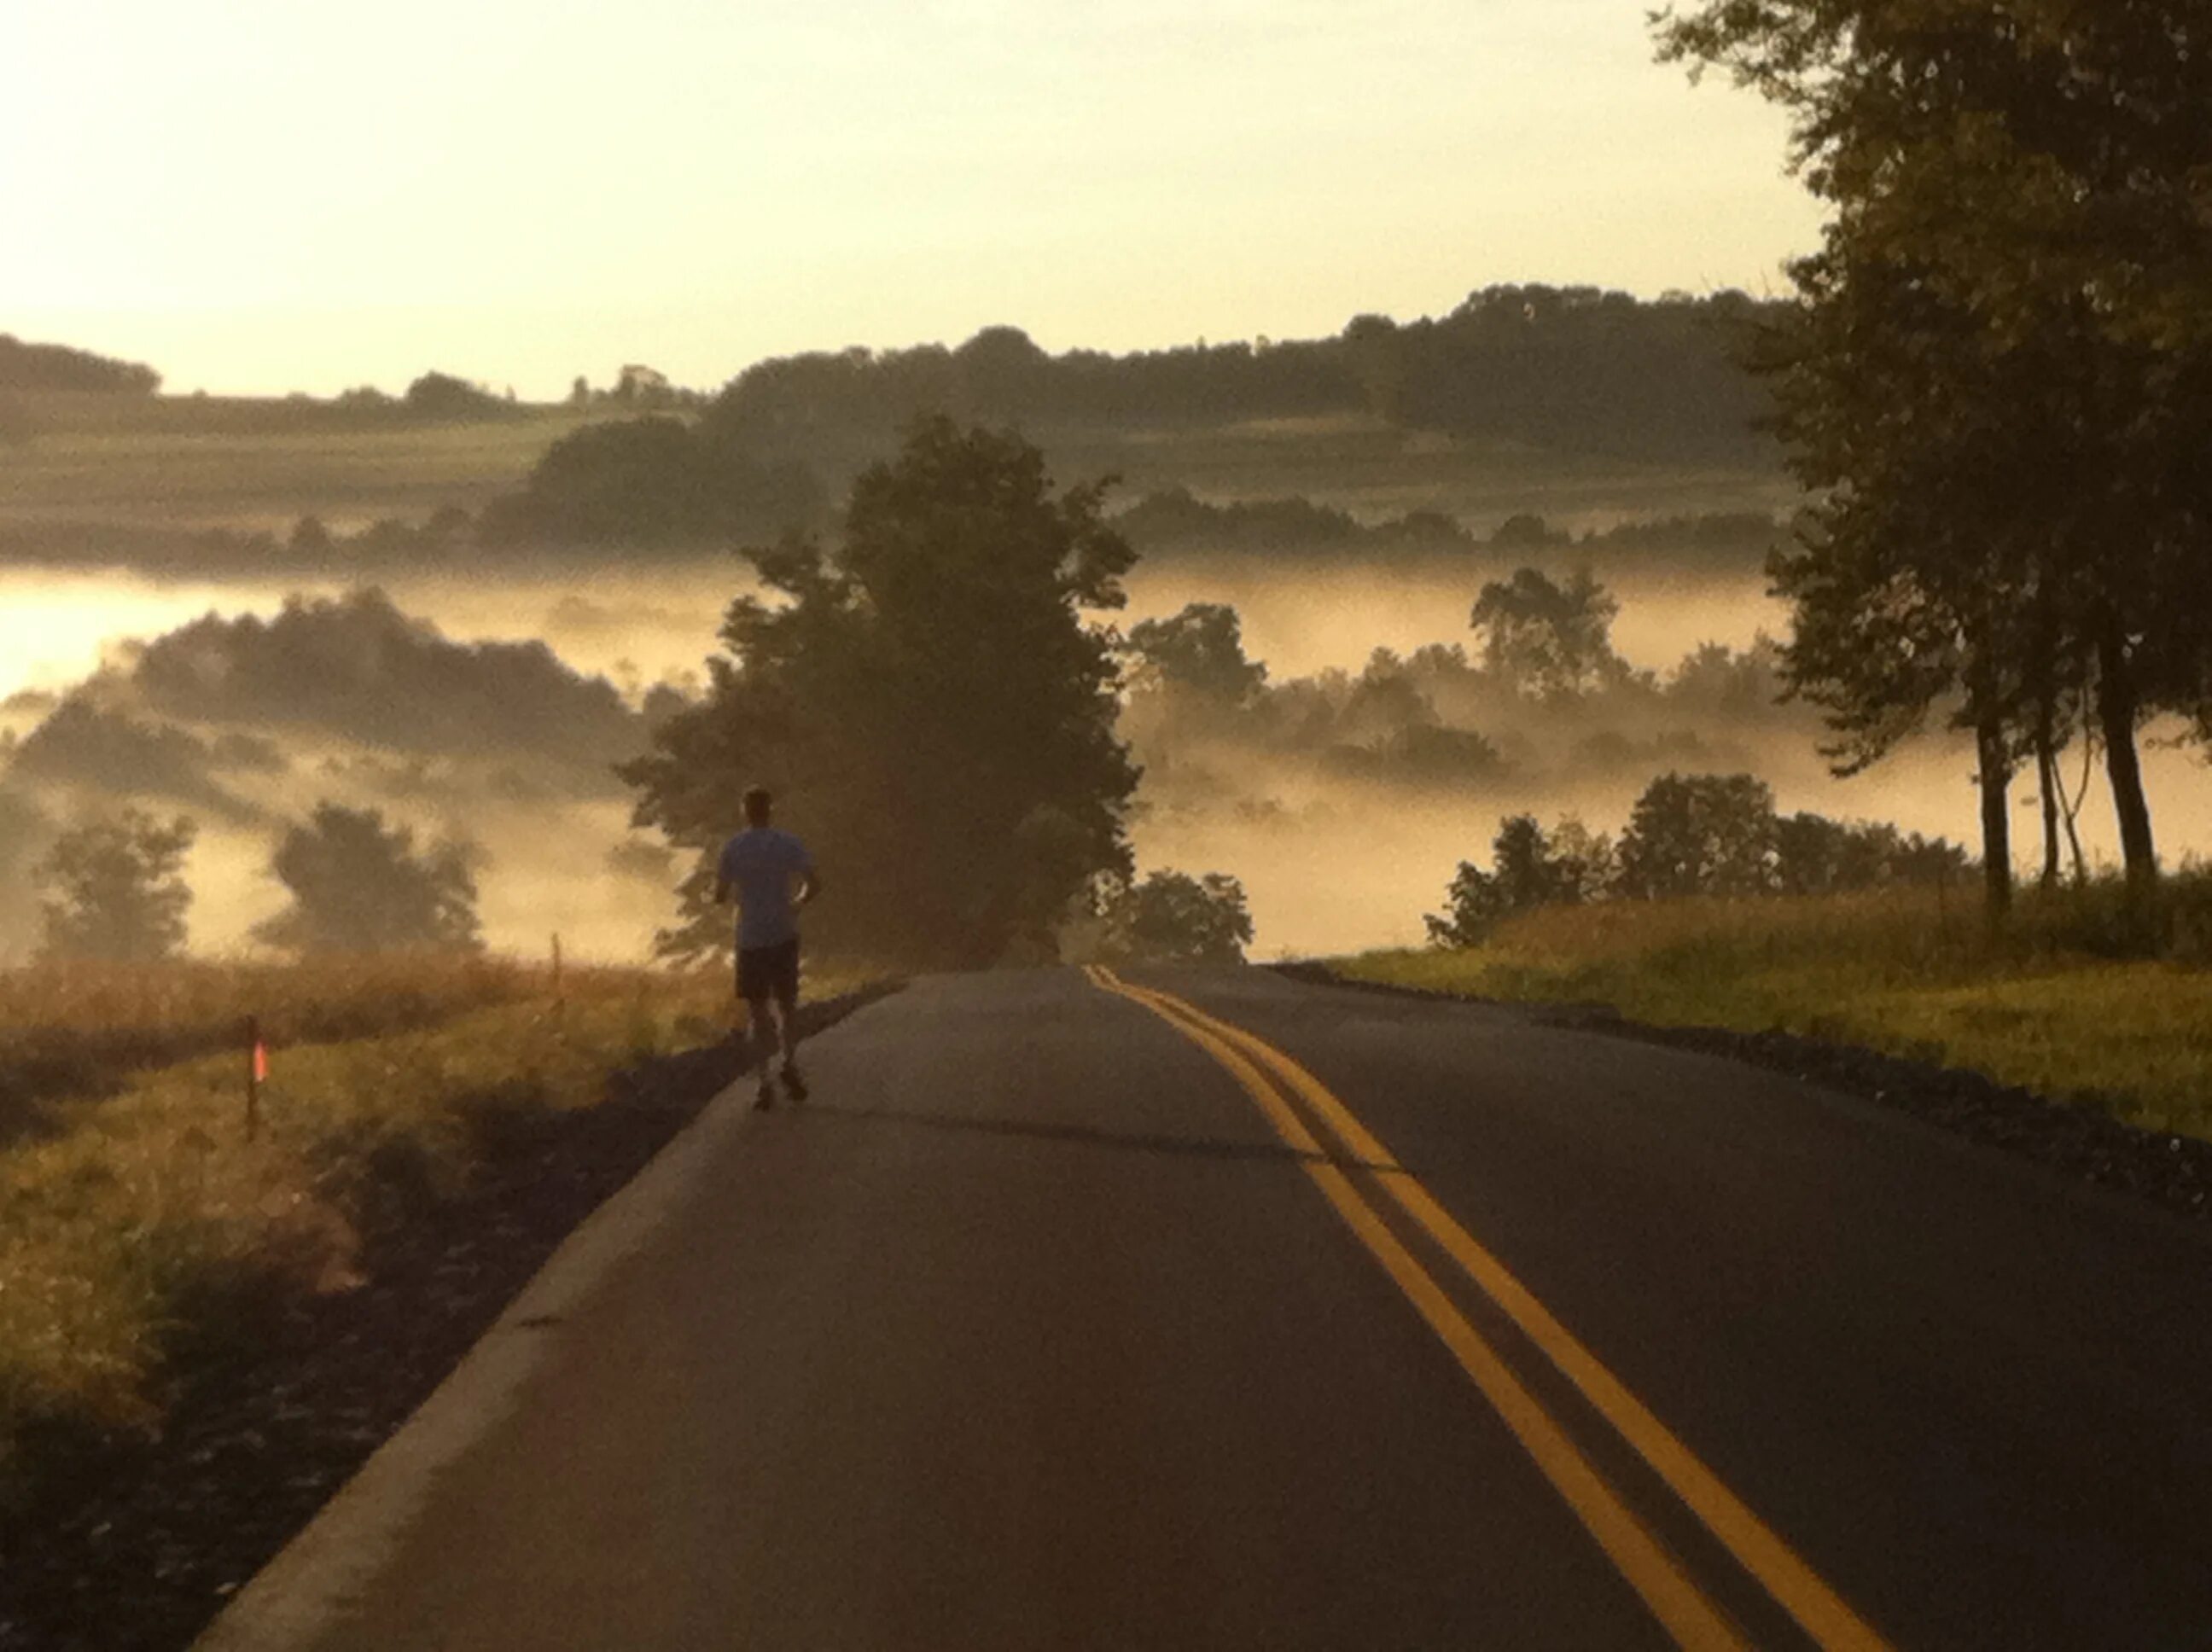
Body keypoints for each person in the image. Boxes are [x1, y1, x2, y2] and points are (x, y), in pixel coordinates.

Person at [713, 787, 820, 1109]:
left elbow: (719, 894)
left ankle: (763, 1083)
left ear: (744, 811)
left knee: (757, 1011)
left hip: (750, 937)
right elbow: (814, 883)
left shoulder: (734, 847)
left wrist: (714, 896)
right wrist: (796, 904)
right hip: (783, 932)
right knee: (787, 1005)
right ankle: (788, 1062)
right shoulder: (788, 843)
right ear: (770, 810)